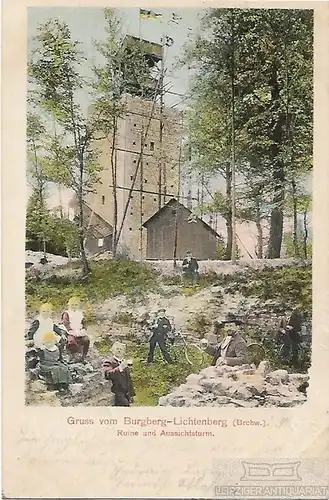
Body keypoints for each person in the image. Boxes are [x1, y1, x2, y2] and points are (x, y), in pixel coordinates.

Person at [103, 342, 135, 407]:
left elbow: (128, 379)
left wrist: (131, 394)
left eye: (121, 349)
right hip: (116, 392)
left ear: (124, 352)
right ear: (113, 350)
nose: (119, 351)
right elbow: (108, 374)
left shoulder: (124, 362)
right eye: (117, 349)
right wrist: (120, 368)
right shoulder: (109, 361)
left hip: (126, 392)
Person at [60, 296, 90, 363]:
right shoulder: (67, 313)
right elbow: (65, 323)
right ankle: (72, 356)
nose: (74, 306)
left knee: (86, 340)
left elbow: (83, 323)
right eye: (72, 305)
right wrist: (71, 331)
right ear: (69, 305)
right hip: (70, 331)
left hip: (79, 330)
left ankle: (83, 356)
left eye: (76, 305)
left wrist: (83, 330)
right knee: (71, 341)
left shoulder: (80, 313)